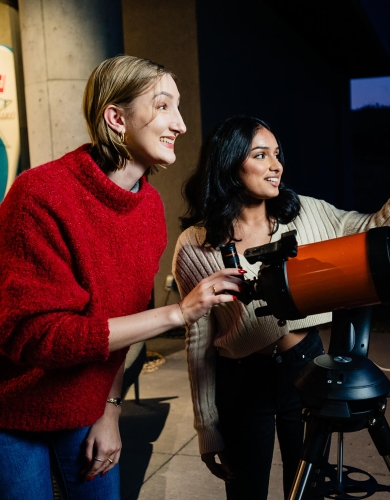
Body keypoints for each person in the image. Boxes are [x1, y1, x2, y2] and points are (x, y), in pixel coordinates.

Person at [172, 115, 390, 499]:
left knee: (306, 491)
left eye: (277, 154)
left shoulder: (305, 213)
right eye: (261, 154)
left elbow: (377, 230)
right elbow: (198, 340)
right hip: (240, 380)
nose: (277, 165)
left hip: (304, 369)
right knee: (244, 491)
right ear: (230, 164)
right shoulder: (194, 244)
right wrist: (207, 427)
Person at [0, 55, 241, 500]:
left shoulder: (148, 209)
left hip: (89, 406)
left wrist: (109, 410)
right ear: (116, 117)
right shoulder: (39, 196)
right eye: (164, 106)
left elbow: (124, 320)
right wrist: (179, 313)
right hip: (12, 410)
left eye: (179, 107)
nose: (181, 125)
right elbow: (35, 337)